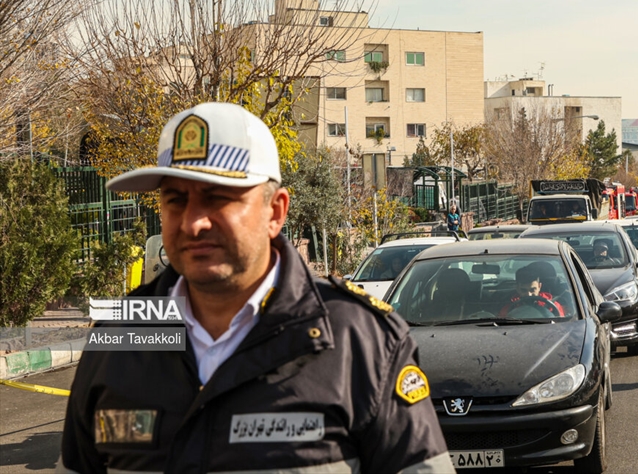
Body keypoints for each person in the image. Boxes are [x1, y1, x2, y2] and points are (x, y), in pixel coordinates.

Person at [59, 102, 453, 474]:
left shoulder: (361, 342)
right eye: (175, 200)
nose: (193, 222)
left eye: (218, 198)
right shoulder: (119, 340)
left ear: (275, 212)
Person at [498, 264, 564, 317]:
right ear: (517, 288)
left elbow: (562, 325)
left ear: (539, 286)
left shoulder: (553, 306)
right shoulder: (509, 308)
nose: (529, 294)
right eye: (524, 290)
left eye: (533, 290)